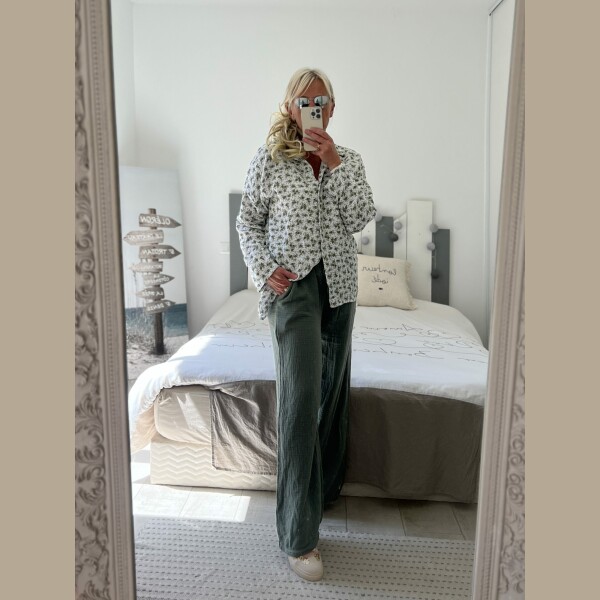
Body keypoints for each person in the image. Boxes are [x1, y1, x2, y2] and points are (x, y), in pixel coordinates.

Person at [236, 67, 376, 582]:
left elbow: (361, 218)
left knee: (331, 396)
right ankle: (299, 537)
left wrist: (333, 163)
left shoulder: (349, 161)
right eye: (303, 101)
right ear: (291, 108)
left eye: (320, 102)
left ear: (332, 109)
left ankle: (324, 491)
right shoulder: (269, 159)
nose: (312, 109)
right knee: (299, 402)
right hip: (292, 289)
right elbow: (247, 221)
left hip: (339, 289)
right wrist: (262, 267)